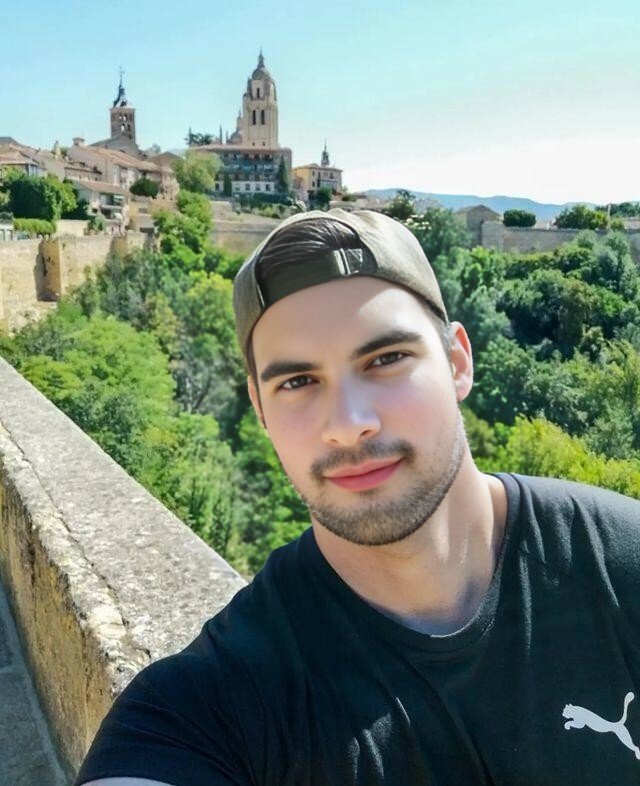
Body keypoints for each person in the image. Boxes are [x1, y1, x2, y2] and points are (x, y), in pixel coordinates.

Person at [77, 209, 640, 786]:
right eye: (298, 382)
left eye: (386, 359)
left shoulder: (625, 563)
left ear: (457, 362)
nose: (348, 425)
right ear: (261, 408)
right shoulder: (207, 706)